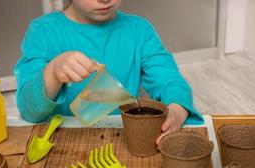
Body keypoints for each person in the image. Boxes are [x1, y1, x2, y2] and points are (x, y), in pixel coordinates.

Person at [15, 0, 204, 144]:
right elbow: (29, 109)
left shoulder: (139, 30)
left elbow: (171, 82)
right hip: (63, 144)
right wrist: (52, 73)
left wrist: (176, 113)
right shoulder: (43, 32)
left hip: (123, 140)